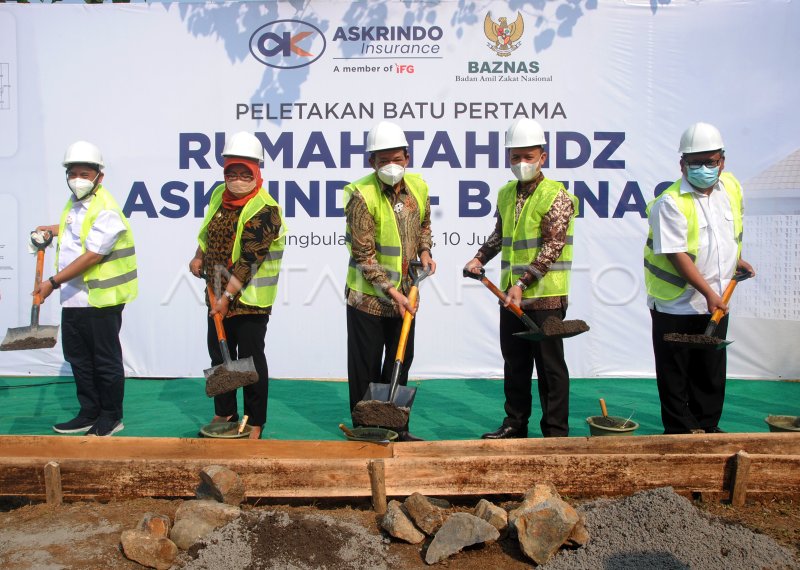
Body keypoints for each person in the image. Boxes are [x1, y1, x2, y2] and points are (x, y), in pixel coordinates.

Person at [464, 118, 578, 439]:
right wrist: (479, 258)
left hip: (545, 298)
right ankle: (515, 423)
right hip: (510, 297)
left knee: (550, 369)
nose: (522, 163)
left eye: (529, 156)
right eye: (516, 157)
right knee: (515, 364)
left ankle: (555, 432)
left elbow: (552, 246)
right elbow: (500, 236)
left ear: (543, 157)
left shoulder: (556, 196)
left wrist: (522, 284)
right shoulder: (504, 194)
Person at [644, 122, 755, 434]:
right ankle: (680, 434)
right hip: (675, 305)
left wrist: (736, 259)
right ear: (682, 165)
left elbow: (726, 236)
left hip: (717, 300)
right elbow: (677, 255)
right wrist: (708, 292)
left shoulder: (731, 187)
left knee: (710, 370)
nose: (706, 168)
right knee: (675, 374)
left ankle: (708, 430)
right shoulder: (670, 202)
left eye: (712, 161)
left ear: (722, 160)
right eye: (697, 163)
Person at [35, 141, 138, 437]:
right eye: (73, 173)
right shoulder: (76, 203)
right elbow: (72, 227)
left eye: (85, 173)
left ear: (99, 177)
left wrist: (52, 283)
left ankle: (111, 415)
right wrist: (47, 230)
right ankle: (88, 411)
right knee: (78, 359)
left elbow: (93, 254)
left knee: (105, 361)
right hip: (74, 300)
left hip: (101, 300)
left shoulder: (107, 210)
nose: (78, 179)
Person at [189, 131, 286, 440]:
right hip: (216, 292)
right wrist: (198, 255)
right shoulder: (219, 194)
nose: (238, 178)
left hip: (249, 299)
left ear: (257, 171)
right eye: (233, 171)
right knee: (220, 354)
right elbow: (208, 228)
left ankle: (255, 420)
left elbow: (248, 260)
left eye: (246, 173)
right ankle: (225, 411)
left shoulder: (265, 208)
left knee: (250, 359)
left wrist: (227, 296)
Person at [344, 121, 436, 442]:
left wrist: (425, 252)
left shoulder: (419, 188)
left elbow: (424, 225)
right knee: (366, 368)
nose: (391, 166)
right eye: (383, 161)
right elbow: (364, 256)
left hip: (405, 297)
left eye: (396, 159)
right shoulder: (361, 196)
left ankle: (396, 428)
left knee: (401, 362)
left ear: (407, 158)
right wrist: (396, 294)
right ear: (372, 163)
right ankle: (367, 429)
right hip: (368, 299)